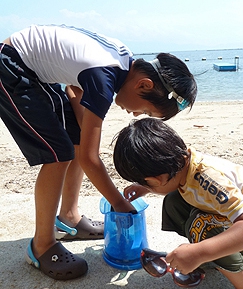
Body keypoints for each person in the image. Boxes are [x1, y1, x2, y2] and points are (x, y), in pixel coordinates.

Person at [0, 24, 197, 280]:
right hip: (12, 66)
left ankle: (69, 217)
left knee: (78, 144)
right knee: (59, 154)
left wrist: (85, 138)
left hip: (33, 68)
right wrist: (120, 204)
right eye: (146, 111)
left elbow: (74, 88)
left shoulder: (122, 62)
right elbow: (89, 160)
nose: (136, 115)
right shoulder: (103, 77)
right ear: (145, 85)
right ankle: (41, 246)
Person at [113, 117, 243, 289]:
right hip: (229, 217)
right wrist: (146, 187)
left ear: (157, 179)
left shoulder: (208, 180)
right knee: (174, 201)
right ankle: (217, 257)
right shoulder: (184, 164)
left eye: (146, 182)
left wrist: (201, 252)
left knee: (202, 226)